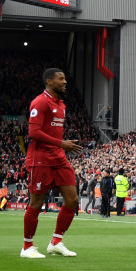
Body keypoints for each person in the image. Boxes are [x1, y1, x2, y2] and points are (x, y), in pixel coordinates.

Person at [21, 68, 84, 259]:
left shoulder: (61, 104)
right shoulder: (40, 102)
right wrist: (61, 143)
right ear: (50, 81)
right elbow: (33, 133)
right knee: (37, 202)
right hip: (40, 159)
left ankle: (56, 242)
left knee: (72, 200)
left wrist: (61, 146)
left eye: (65, 78)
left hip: (58, 157)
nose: (65, 82)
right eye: (61, 79)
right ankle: (27, 247)